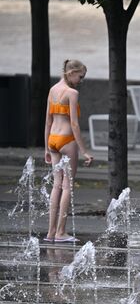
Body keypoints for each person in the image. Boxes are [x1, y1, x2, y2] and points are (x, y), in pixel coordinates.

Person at [44, 59, 93, 243]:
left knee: (56, 185)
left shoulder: (53, 90)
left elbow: (48, 121)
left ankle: (50, 232)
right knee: (67, 186)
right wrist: (84, 151)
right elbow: (74, 123)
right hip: (66, 140)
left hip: (53, 141)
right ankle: (61, 232)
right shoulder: (72, 93)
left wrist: (46, 148)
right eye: (80, 76)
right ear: (71, 72)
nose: (81, 80)